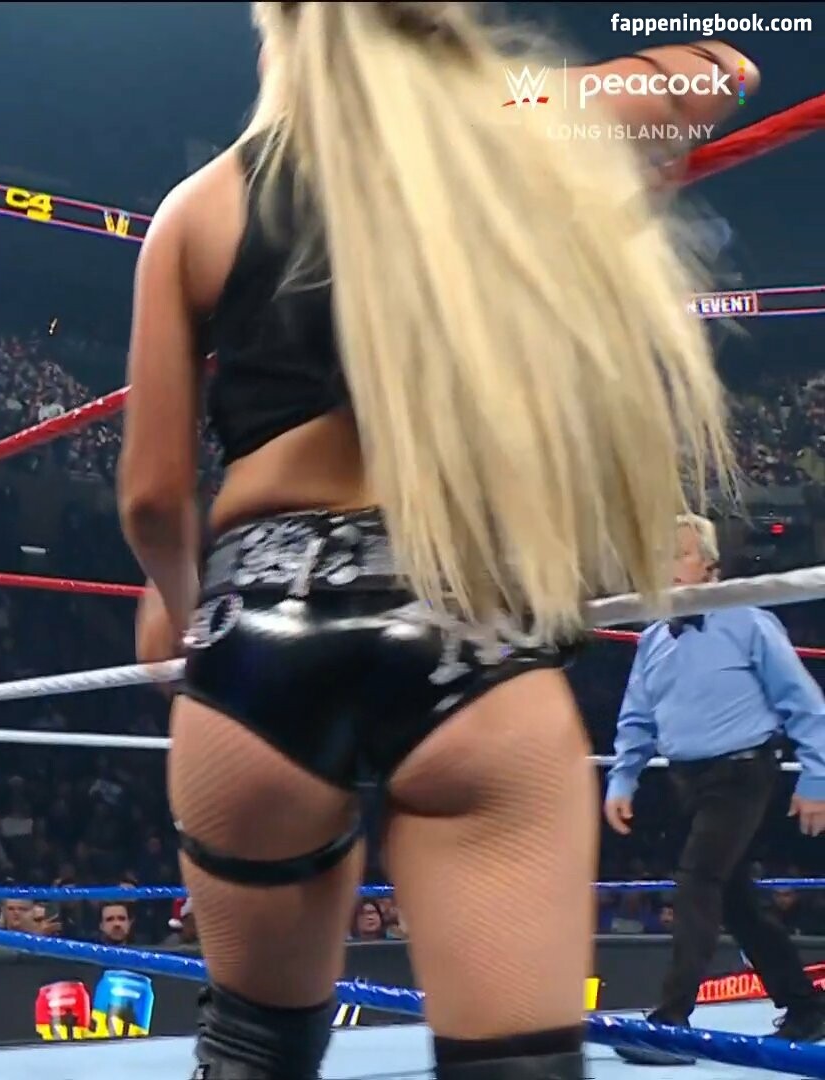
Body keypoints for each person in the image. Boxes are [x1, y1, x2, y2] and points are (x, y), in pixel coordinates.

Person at [118, 4, 755, 1077]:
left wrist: (187, 615)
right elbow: (721, 71)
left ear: (280, 38)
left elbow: (150, 500)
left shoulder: (200, 204)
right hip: (460, 613)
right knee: (515, 1063)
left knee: (250, 1048)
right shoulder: (506, 120)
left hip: (259, 626)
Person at [604, 514, 825, 1065]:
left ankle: (671, 1022)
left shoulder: (748, 622)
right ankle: (806, 1006)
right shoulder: (653, 640)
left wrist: (817, 778)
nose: (667, 566)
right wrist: (623, 777)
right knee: (737, 902)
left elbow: (804, 703)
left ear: (710, 566)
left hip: (744, 772)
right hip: (686, 780)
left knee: (697, 882)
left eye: (679, 554)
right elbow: (636, 718)